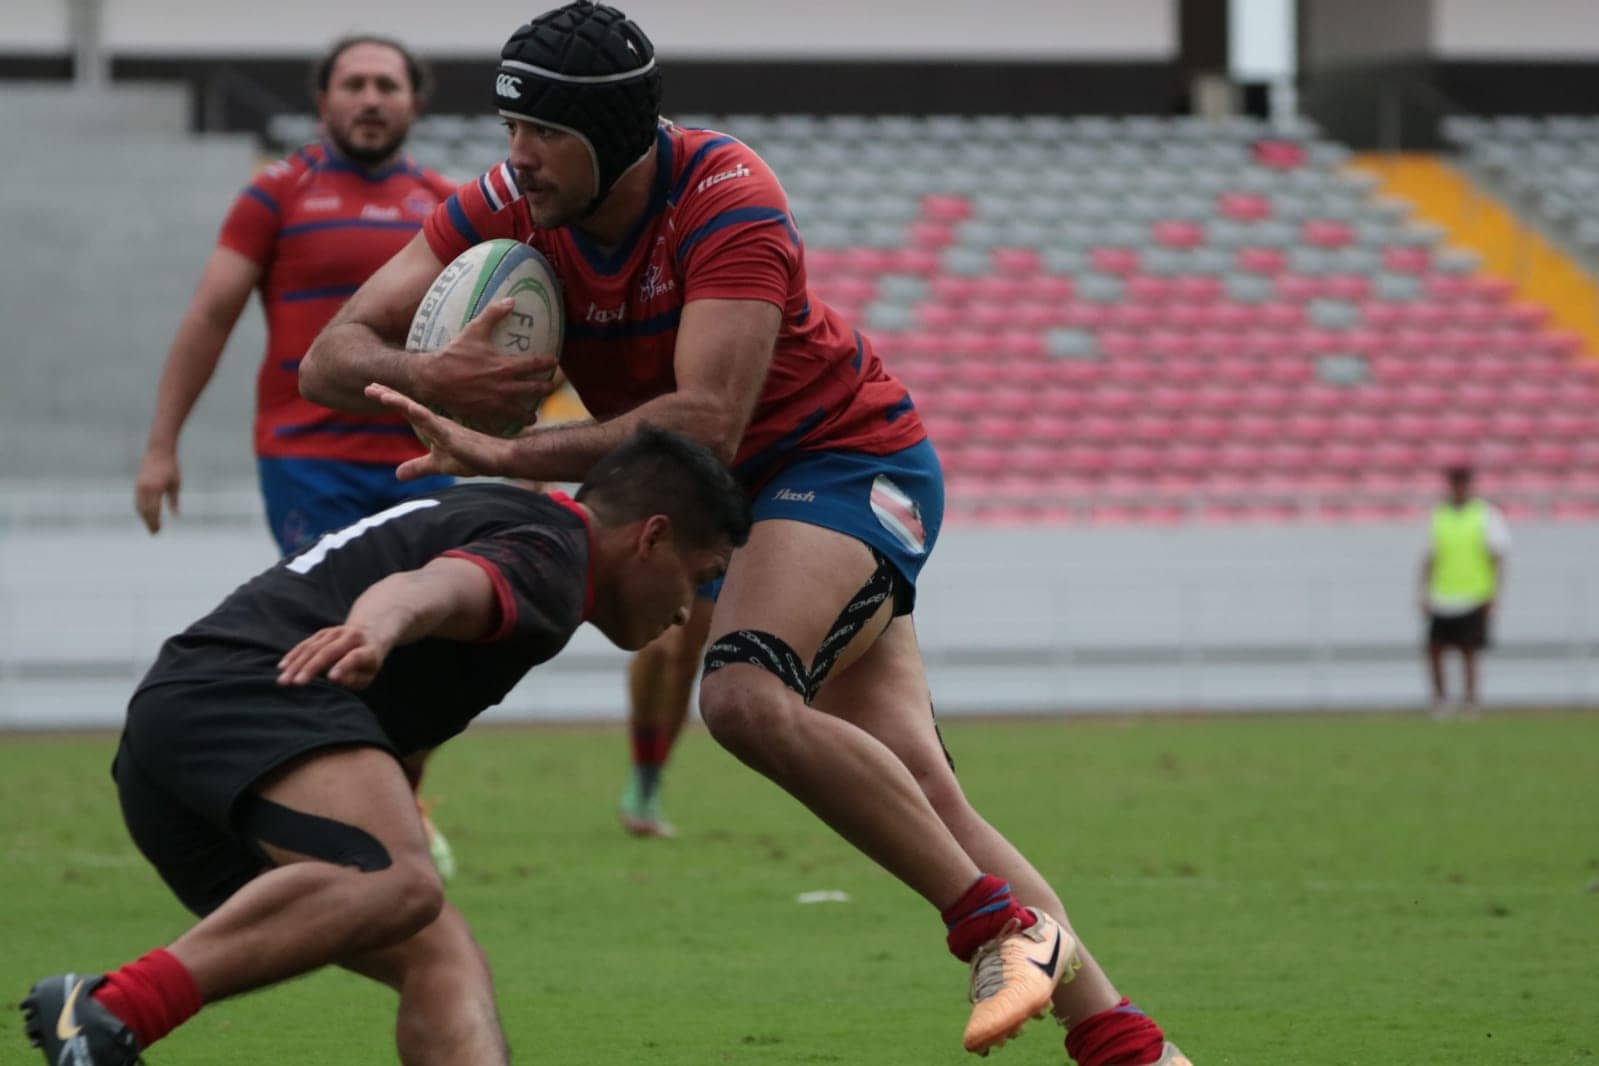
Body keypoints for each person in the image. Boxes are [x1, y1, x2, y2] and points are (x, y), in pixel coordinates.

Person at [300, 5, 1192, 1061]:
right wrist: (429, 375)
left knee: (741, 691)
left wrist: (502, 452)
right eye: (509, 128)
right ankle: (1132, 1049)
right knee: (920, 786)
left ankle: (998, 928)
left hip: (842, 465)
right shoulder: (510, 202)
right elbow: (328, 357)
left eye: (543, 133)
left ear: (616, 135)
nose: (518, 157)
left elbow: (704, 423)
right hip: (722, 502)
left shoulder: (728, 197)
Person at [22, 427, 749, 1066]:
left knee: (440, 953)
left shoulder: (520, 522)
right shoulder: (554, 561)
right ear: (650, 538)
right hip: (247, 699)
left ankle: (114, 1012)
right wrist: (376, 627)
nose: (689, 608)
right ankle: (112, 1011)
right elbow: (431, 587)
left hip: (181, 742)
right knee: (402, 882)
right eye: (701, 577)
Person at [132, 34, 472, 875]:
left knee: (427, 646)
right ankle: (334, 817)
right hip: (306, 457)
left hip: (417, 462)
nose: (369, 97)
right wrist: (160, 446)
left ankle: (393, 797)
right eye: (352, 83)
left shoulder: (446, 206)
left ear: (413, 102)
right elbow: (209, 317)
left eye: (386, 84)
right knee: (346, 632)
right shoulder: (276, 195)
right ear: (322, 102)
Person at [1419, 464, 1509, 718]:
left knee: (1469, 651)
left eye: (1462, 483)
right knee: (1435, 650)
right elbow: (1430, 556)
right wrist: (1424, 592)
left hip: (1473, 594)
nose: (1458, 489)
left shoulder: (1486, 514)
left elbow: (1498, 556)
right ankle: (1440, 701)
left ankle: (1470, 702)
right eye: (1455, 483)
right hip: (1443, 594)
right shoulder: (1439, 515)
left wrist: (1494, 593)